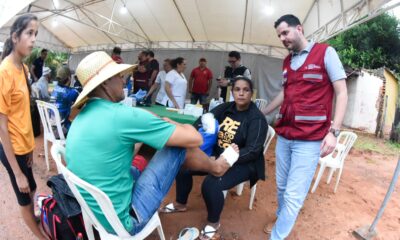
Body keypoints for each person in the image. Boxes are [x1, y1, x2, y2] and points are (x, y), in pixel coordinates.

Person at [66, 51, 236, 236]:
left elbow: (112, 155)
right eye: (120, 77)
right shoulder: (123, 115)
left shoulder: (81, 117)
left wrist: (145, 137)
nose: (124, 82)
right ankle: (216, 167)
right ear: (106, 83)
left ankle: (201, 169)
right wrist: (167, 121)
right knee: (178, 147)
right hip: (125, 221)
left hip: (93, 210)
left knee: (147, 144)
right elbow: (196, 138)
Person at [262, 14, 348, 240]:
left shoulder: (325, 53)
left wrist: (334, 132)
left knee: (293, 194)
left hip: (309, 140)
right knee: (281, 186)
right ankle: (281, 219)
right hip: (285, 135)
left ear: (299, 28)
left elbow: (341, 92)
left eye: (285, 32)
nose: (282, 38)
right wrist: (263, 111)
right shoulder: (287, 61)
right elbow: (285, 93)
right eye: (279, 35)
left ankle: (277, 237)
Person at [161, 76, 267, 239]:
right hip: (216, 155)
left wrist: (225, 160)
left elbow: (253, 150)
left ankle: (213, 222)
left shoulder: (257, 118)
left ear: (251, 94)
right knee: (184, 166)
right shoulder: (226, 107)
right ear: (232, 92)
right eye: (237, 89)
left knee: (212, 183)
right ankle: (180, 203)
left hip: (244, 163)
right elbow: (203, 119)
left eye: (246, 90)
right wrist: (194, 134)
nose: (241, 93)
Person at [0, 14, 47, 239]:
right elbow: (1, 126)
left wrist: (29, 148)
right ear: (15, 36)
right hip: (12, 149)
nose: (34, 39)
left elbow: (23, 114)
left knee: (33, 188)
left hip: (24, 146)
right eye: (29, 33)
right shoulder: (4, 72)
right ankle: (39, 236)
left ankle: (34, 217)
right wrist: (17, 172)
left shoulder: (25, 69)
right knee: (24, 196)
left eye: (35, 34)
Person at [51, 66, 79, 131]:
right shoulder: (70, 93)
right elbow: (81, 101)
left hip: (52, 128)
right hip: (62, 130)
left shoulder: (55, 89)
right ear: (69, 78)